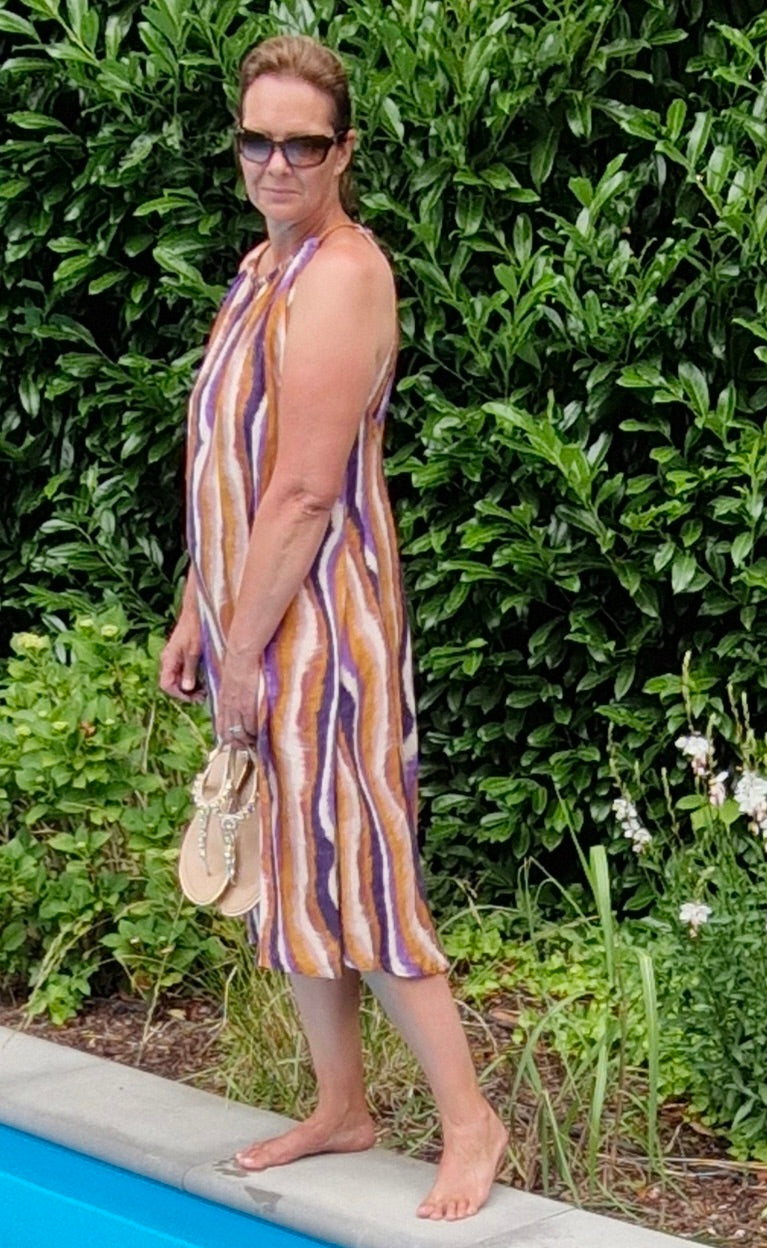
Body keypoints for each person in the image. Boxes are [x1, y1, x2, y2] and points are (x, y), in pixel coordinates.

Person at [159, 34, 506, 1222]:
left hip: (321, 624)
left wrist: (244, 649)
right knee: (291, 867)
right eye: (256, 139)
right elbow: (233, 459)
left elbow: (307, 491)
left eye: (301, 144)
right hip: (257, 614)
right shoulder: (264, 266)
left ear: (343, 151)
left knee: (361, 863)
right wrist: (198, 611)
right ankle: (342, 1105)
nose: (276, 162)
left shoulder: (343, 275)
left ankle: (471, 1122)